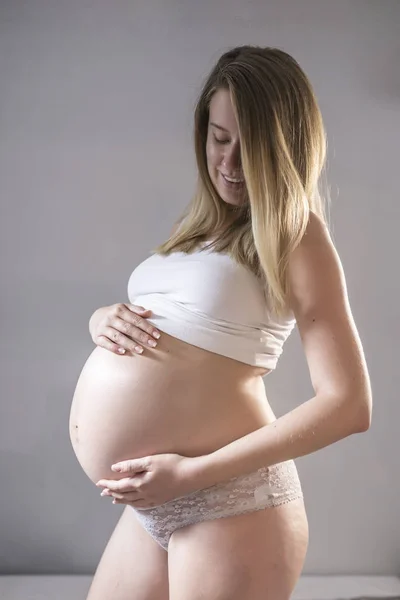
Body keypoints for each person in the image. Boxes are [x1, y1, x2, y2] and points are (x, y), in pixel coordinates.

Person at [86, 45, 372, 600]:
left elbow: (350, 404)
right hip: (156, 502)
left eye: (252, 146)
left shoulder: (297, 233)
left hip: (231, 499)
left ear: (285, 148)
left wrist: (191, 476)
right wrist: (103, 320)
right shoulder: (199, 230)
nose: (230, 163)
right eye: (220, 138)